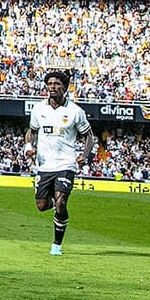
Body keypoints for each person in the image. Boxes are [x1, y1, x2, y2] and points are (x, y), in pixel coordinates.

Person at [24, 69, 95, 256]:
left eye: (57, 84)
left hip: (66, 164)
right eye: (50, 84)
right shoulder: (39, 109)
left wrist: (84, 155)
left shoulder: (75, 111)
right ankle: (54, 204)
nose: (53, 87)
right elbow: (31, 131)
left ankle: (56, 245)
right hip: (44, 165)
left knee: (62, 202)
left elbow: (89, 136)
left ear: (64, 87)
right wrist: (28, 147)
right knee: (41, 206)